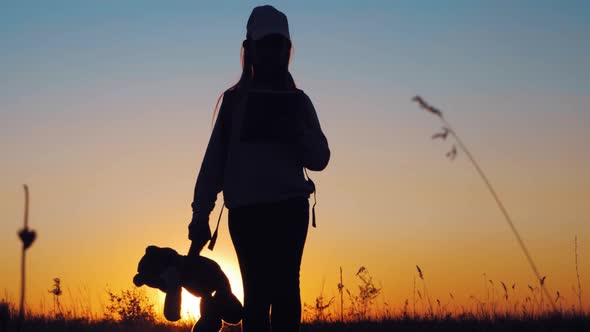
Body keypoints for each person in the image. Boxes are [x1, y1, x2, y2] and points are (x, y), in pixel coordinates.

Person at [187, 5, 330, 332]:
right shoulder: (234, 103)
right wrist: (200, 215)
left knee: (285, 292)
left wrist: (297, 130)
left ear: (287, 50)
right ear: (250, 49)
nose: (273, 52)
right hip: (247, 213)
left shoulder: (299, 102)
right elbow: (213, 164)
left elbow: (319, 158)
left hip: (288, 210)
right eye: (266, 44)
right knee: (256, 296)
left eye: (279, 45)